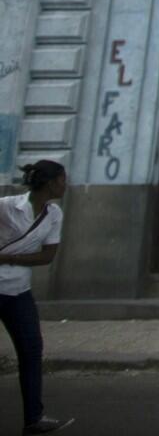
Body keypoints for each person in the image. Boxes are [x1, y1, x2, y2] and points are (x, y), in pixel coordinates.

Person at [0, 160, 73, 435]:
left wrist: (7, 258)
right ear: (51, 182)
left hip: (19, 292)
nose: (66, 185)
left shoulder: (54, 214)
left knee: (31, 352)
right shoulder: (7, 206)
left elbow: (47, 255)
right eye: (63, 179)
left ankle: (34, 418)